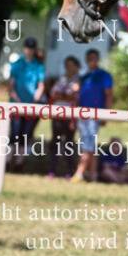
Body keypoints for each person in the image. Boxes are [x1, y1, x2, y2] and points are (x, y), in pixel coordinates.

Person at [71, 49, 113, 183]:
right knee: (89, 144)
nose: (91, 60)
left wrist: (105, 114)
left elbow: (108, 95)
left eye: (93, 58)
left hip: (95, 114)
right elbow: (77, 97)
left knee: (87, 143)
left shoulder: (104, 75)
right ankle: (93, 174)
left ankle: (79, 172)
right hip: (82, 114)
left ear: (98, 59)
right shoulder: (83, 77)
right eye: (89, 58)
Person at [8, 36, 45, 170]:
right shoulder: (16, 64)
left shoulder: (38, 66)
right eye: (28, 48)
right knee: (14, 133)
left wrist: (34, 100)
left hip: (31, 106)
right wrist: (18, 100)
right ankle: (8, 160)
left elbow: (41, 86)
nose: (29, 50)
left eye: (32, 48)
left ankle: (19, 162)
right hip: (16, 105)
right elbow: (11, 85)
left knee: (26, 134)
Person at [47, 55, 81, 178]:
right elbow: (53, 94)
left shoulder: (79, 80)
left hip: (70, 116)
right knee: (55, 142)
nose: (69, 68)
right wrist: (64, 96)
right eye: (67, 65)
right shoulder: (61, 78)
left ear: (77, 67)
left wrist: (61, 96)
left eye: (71, 65)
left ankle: (70, 171)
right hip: (58, 115)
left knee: (69, 143)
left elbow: (74, 97)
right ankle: (52, 169)